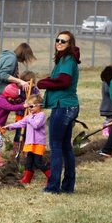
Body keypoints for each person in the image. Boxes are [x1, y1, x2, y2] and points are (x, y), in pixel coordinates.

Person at [36, 30, 80, 194]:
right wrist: (45, 81)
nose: (60, 43)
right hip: (69, 106)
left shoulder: (68, 60)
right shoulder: (64, 60)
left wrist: (43, 83)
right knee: (65, 147)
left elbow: (64, 81)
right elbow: (58, 78)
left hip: (63, 107)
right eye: (58, 40)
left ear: (70, 44)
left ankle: (53, 186)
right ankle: (67, 186)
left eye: (64, 41)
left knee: (56, 147)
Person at [0, 43, 36, 154]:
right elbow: (3, 75)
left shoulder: (9, 58)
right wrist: (20, 81)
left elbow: (8, 80)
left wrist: (22, 83)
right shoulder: (11, 59)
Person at [3, 94, 49, 184]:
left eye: (31, 106)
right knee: (28, 162)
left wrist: (30, 117)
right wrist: (9, 127)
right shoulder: (29, 117)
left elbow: (36, 125)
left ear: (39, 105)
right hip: (29, 143)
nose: (29, 109)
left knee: (38, 162)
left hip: (38, 143)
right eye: (28, 107)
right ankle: (27, 178)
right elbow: (20, 123)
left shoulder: (41, 115)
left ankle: (50, 176)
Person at [0, 84, 27, 166]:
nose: (12, 100)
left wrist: (19, 102)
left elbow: (13, 104)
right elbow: (10, 107)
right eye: (11, 98)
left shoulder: (6, 99)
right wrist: (23, 106)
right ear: (7, 95)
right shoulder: (1, 100)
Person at [99, 64, 112, 137]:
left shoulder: (111, 80)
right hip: (109, 106)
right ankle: (105, 130)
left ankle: (111, 131)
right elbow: (108, 90)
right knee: (109, 119)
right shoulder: (107, 81)